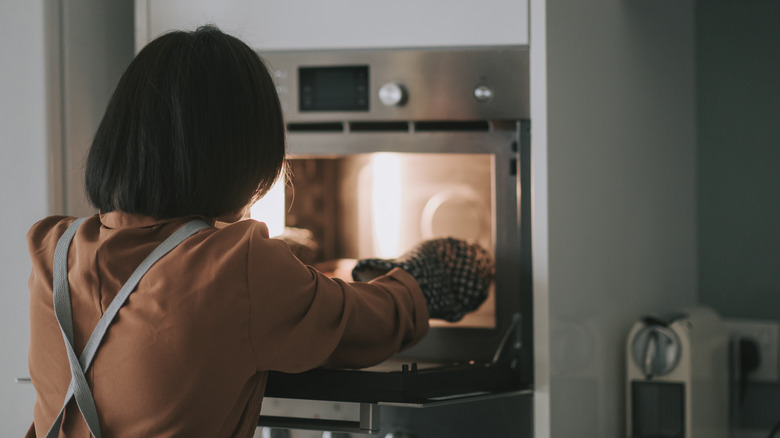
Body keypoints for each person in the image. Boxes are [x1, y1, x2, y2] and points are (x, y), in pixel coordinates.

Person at [26, 25, 493, 438]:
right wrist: (424, 280)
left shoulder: (54, 250)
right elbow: (362, 324)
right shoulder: (235, 264)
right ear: (240, 154)